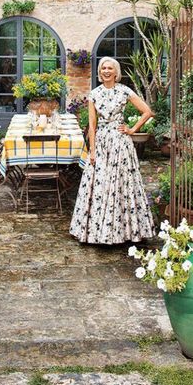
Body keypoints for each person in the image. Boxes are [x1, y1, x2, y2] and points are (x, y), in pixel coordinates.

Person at [69, 56, 155, 245]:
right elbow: (92, 125)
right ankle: (98, 231)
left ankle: (124, 232)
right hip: (101, 143)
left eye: (109, 68)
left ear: (116, 72)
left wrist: (132, 130)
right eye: (103, 68)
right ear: (100, 72)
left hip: (120, 144)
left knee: (122, 185)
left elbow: (147, 111)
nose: (106, 71)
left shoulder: (124, 91)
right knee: (100, 184)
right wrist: (92, 150)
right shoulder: (94, 94)